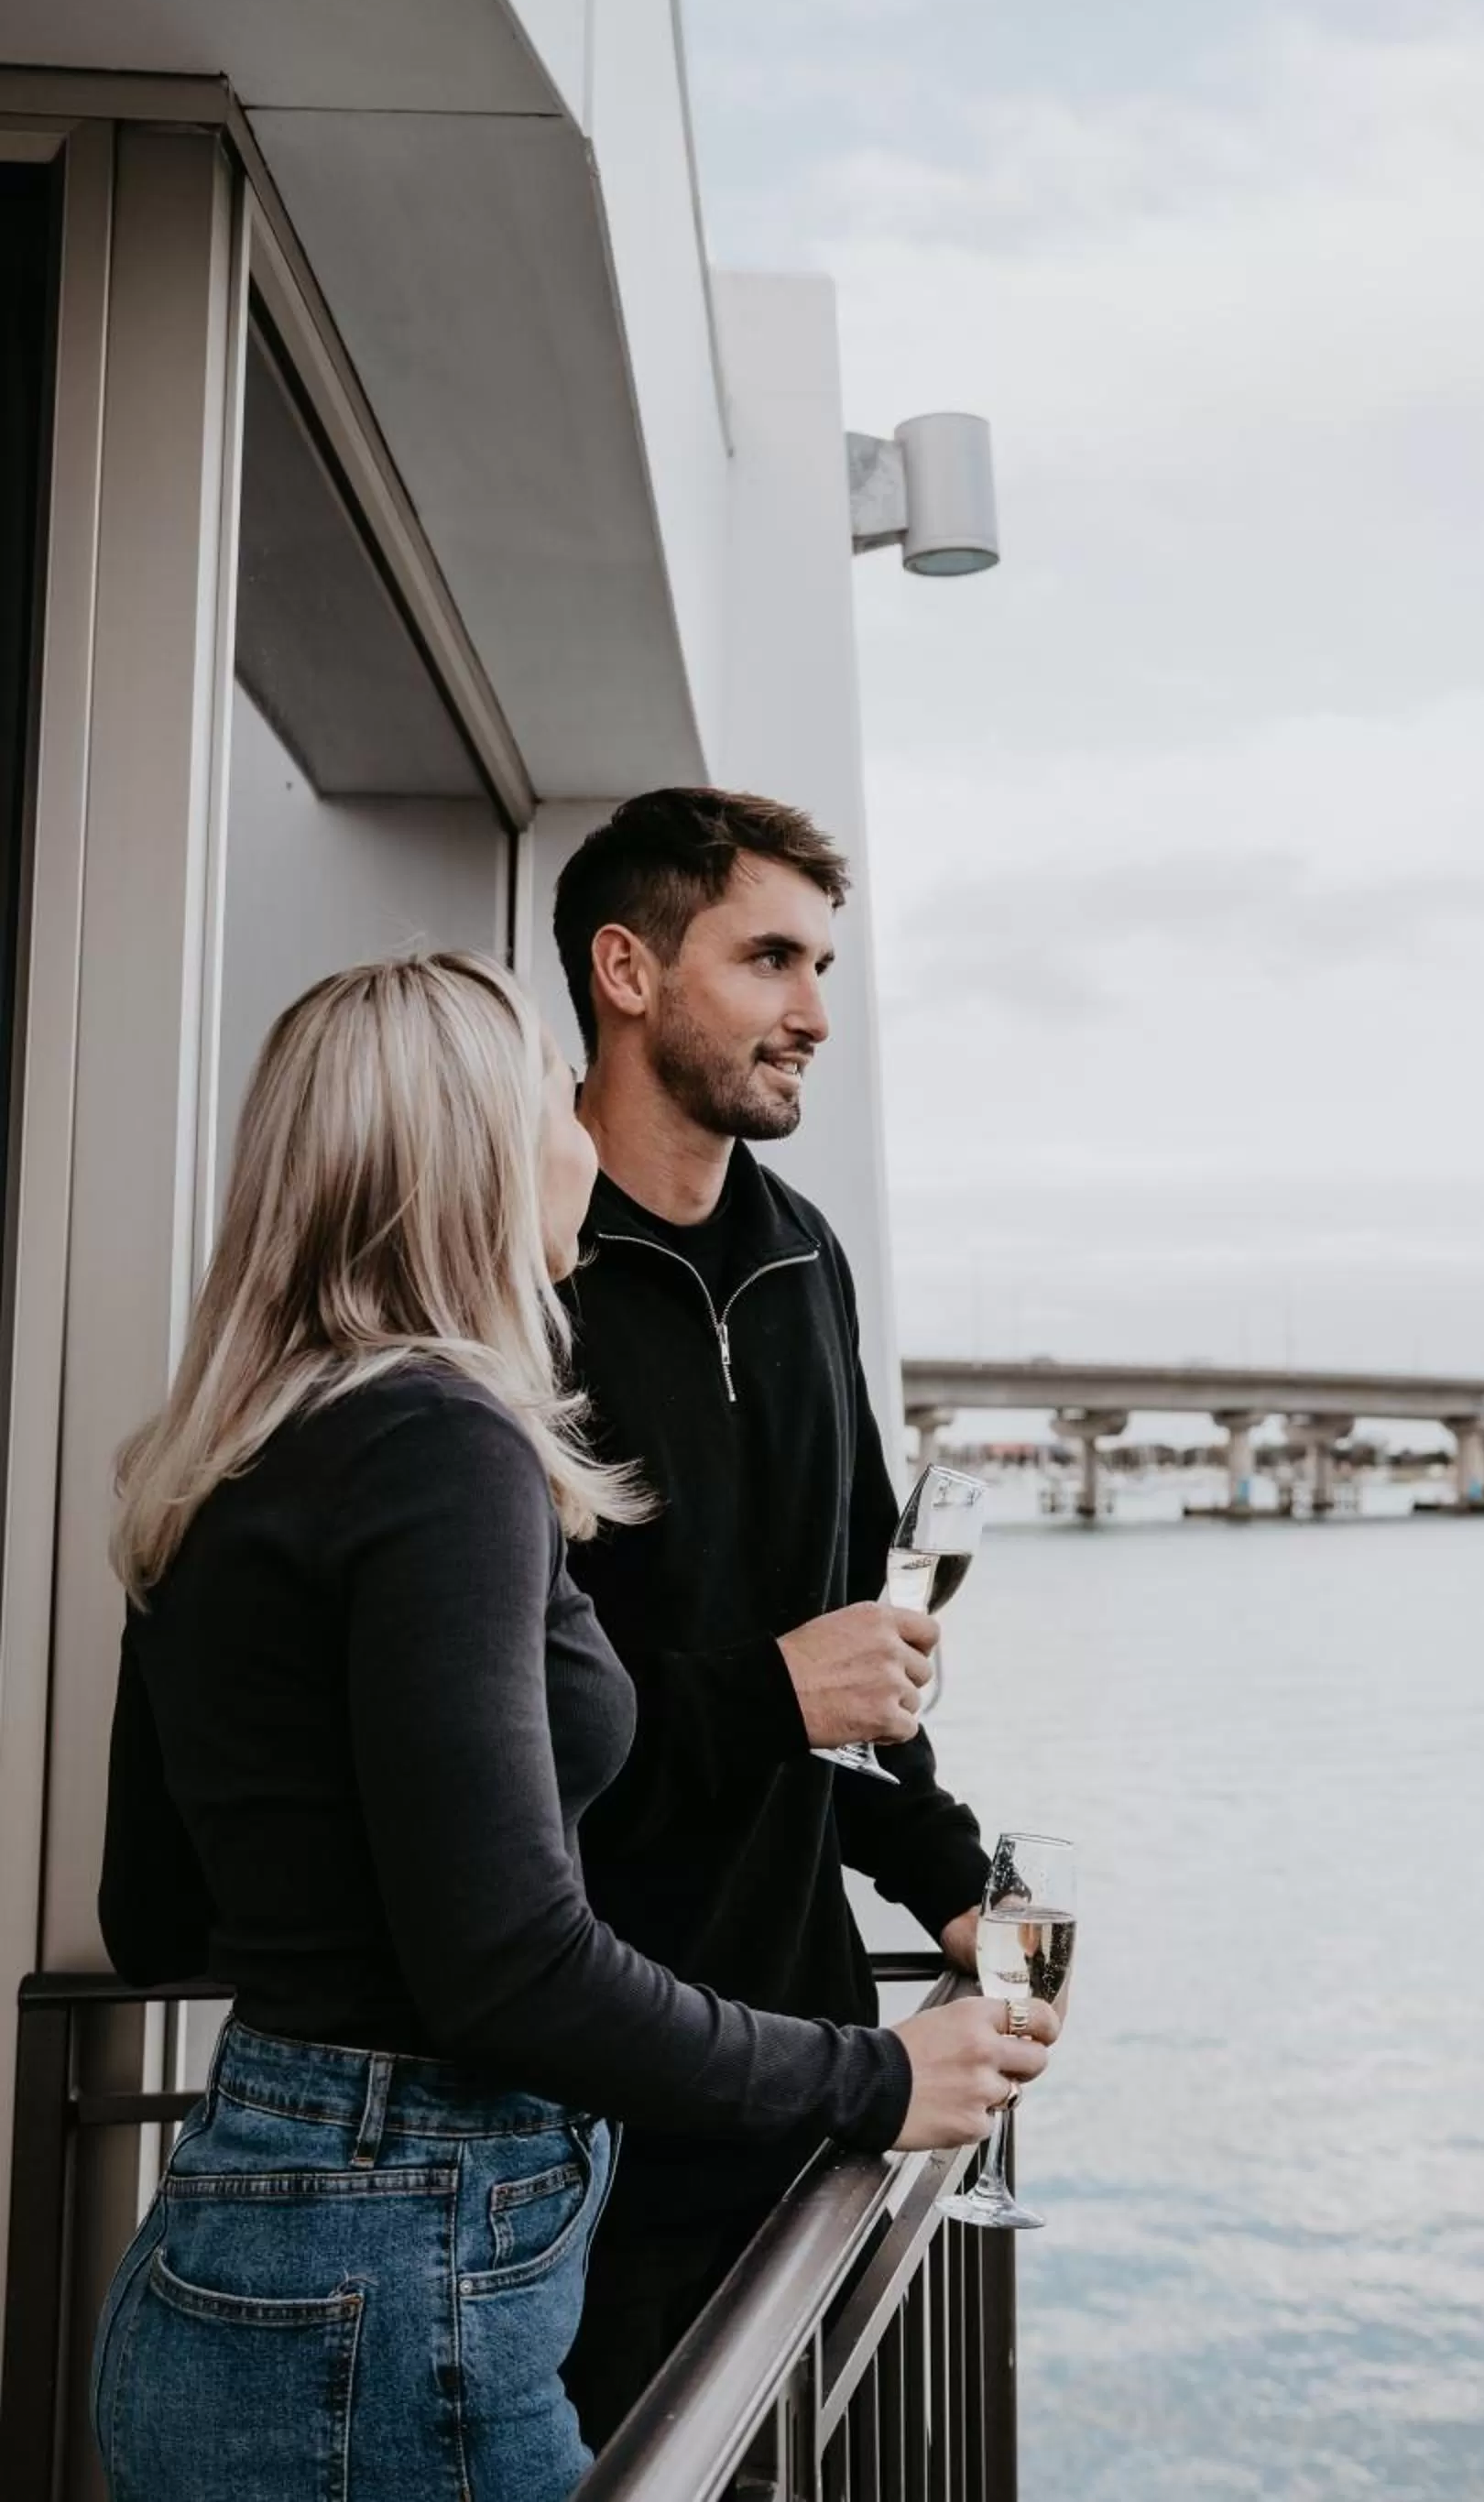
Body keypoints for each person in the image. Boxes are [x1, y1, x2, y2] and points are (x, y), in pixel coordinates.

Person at [90, 952, 1053, 2502]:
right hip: (399, 2297)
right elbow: (512, 1962)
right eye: (552, 1095)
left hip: (243, 2245)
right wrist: (875, 2078)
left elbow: (149, 1919)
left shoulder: (230, 1450)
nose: (581, 1140)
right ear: (469, 1147)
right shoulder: (437, 1441)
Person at [552, 791, 998, 2442]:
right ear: (626, 969)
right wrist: (766, 1695)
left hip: (793, 2061)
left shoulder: (803, 1256)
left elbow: (859, 1626)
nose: (815, 1011)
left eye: (822, 962)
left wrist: (948, 1873)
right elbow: (499, 1726)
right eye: (767, 959)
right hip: (564, 2089)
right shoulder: (508, 1267)